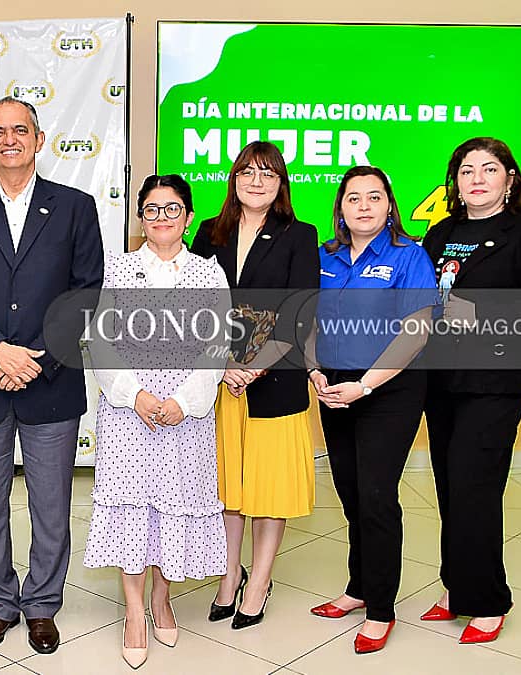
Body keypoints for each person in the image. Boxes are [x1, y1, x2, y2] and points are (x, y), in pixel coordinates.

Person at [0, 96, 104, 654]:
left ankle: (43, 604)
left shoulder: (75, 207)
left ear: (39, 139)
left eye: (20, 130)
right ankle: (0, 603)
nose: (10, 140)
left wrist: (36, 358)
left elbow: (87, 293)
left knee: (51, 506)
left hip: (50, 380)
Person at [419, 138, 521, 644]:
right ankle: (456, 587)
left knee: (474, 487)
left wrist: (481, 313)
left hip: (497, 380)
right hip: (441, 378)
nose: (477, 178)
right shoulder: (442, 232)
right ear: (455, 181)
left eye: (489, 168)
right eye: (466, 170)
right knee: (449, 486)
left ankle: (487, 600)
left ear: (510, 179)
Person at [84, 175, 227, 669]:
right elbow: (101, 342)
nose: (162, 217)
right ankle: (133, 613)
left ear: (188, 218)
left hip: (187, 418)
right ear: (140, 218)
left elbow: (216, 347)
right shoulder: (118, 270)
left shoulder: (209, 275)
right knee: (132, 511)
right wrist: (136, 396)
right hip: (129, 415)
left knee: (173, 508)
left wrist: (185, 402)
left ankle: (162, 600)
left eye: (172, 209)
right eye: (151, 209)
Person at [306, 166, 438, 654]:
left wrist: (365, 385)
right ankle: (358, 587)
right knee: (350, 493)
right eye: (354, 197)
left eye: (374, 196)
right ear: (340, 208)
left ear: (389, 205)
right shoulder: (325, 255)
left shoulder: (409, 255)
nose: (364, 205)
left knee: (377, 496)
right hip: (334, 389)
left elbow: (417, 330)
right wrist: (313, 370)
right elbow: (307, 319)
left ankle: (381, 608)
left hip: (388, 390)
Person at [188, 141, 319, 629]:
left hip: (276, 380)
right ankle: (229, 575)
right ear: (234, 179)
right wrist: (222, 363)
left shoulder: (299, 234)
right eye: (247, 172)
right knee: (227, 488)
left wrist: (254, 365)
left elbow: (300, 309)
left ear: (281, 183)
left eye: (268, 173)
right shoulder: (209, 232)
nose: (257, 181)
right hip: (219, 382)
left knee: (269, 490)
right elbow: (193, 305)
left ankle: (259, 583)